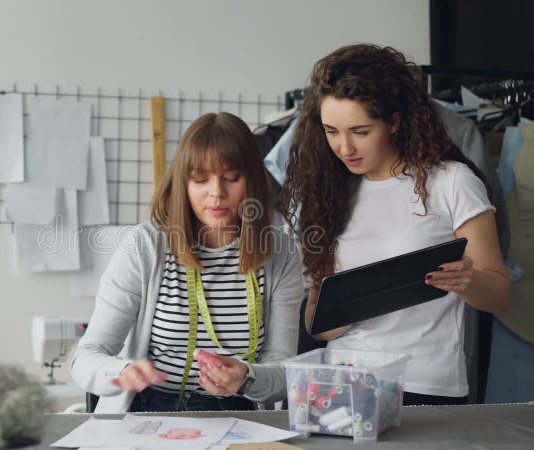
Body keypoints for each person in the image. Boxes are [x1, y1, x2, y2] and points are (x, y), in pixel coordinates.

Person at [282, 44, 511, 406]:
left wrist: (469, 281)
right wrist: (341, 307)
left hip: (425, 384)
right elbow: (318, 326)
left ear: (394, 121)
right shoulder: (328, 194)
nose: (344, 148)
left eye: (360, 131)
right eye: (331, 131)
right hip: (344, 381)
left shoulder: (452, 182)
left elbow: (499, 295)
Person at [70, 112, 303, 413]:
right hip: (150, 411)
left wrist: (247, 378)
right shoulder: (145, 246)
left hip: (237, 415)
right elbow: (85, 357)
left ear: (253, 181)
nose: (216, 193)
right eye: (201, 179)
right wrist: (122, 371)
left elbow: (285, 372)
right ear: (183, 183)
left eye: (231, 178)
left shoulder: (280, 252)